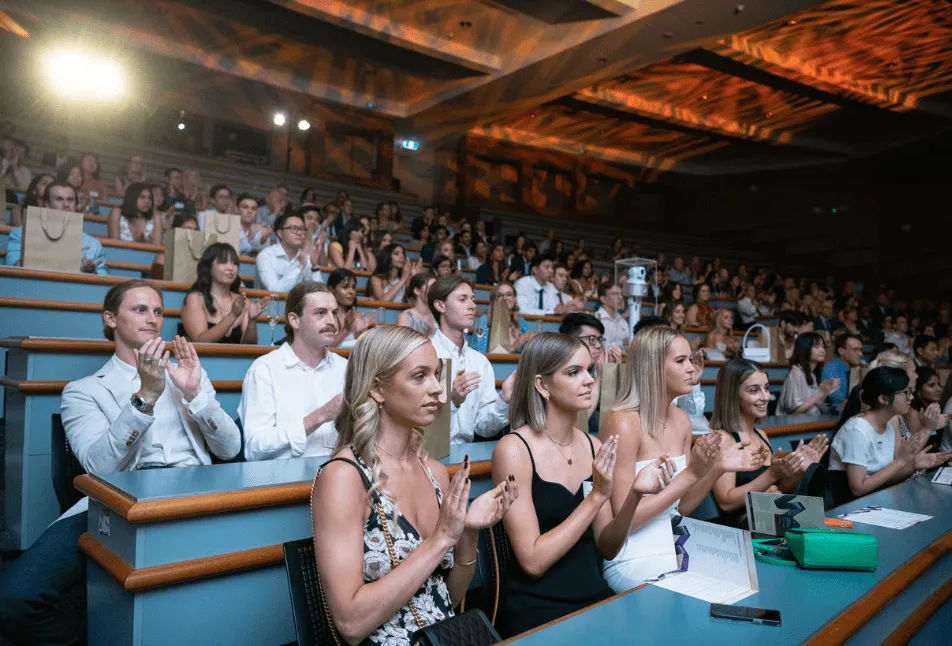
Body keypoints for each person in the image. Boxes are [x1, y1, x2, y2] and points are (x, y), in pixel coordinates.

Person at [0, 281, 240, 646]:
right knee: (14, 601)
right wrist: (145, 397)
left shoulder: (189, 375)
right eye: (140, 309)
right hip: (114, 502)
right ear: (110, 318)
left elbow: (229, 448)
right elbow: (99, 467)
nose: (153, 319)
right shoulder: (84, 390)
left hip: (196, 494)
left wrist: (195, 395)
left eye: (158, 311)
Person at [310, 325, 517, 645]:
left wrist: (470, 531)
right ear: (377, 389)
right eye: (420, 376)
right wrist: (441, 539)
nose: (438, 389)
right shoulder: (344, 477)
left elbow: (448, 596)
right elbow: (350, 625)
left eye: (436, 374)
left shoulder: (433, 469)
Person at [491, 333, 674, 637]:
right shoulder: (513, 450)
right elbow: (533, 561)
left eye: (589, 370)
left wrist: (635, 496)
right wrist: (596, 498)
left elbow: (608, 546)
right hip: (539, 610)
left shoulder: (593, 445)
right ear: (542, 385)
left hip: (595, 599)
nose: (589, 380)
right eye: (574, 372)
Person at [599, 326, 768, 591]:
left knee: (751, 580)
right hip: (634, 558)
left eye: (690, 359)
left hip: (677, 547)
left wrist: (717, 468)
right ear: (652, 367)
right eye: (681, 361)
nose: (692, 369)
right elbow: (625, 522)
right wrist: (691, 473)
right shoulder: (621, 422)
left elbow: (682, 507)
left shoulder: (681, 420)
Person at [710, 359, 829, 526]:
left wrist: (799, 470)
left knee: (823, 518)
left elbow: (779, 489)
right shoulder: (723, 439)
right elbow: (726, 503)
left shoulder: (761, 434)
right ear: (732, 394)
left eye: (766, 388)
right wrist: (771, 475)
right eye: (754, 390)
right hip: (741, 530)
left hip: (768, 518)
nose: (765, 397)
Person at [240, 282, 348, 460]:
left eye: (334, 313)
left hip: (340, 475)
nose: (332, 321)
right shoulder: (265, 370)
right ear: (294, 320)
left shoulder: (346, 368)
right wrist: (320, 416)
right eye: (321, 313)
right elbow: (254, 449)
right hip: (285, 481)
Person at [829, 367, 952, 505]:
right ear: (883, 399)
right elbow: (858, 488)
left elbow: (888, 477)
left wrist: (913, 465)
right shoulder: (857, 430)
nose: (911, 397)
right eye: (906, 393)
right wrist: (901, 461)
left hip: (877, 501)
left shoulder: (889, 423)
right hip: (848, 508)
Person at [428, 275, 515, 444]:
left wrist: (505, 399)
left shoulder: (480, 362)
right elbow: (418, 429)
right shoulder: (426, 355)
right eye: (462, 299)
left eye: (472, 299)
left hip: (467, 453)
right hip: (428, 454)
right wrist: (452, 401)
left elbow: (483, 427)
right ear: (440, 305)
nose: (473, 305)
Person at [4, 182, 108, 275]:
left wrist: (91, 272)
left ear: (76, 205)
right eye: (59, 199)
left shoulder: (93, 244)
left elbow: (102, 283)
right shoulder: (21, 234)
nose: (66, 204)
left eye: (70, 200)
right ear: (46, 204)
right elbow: (13, 269)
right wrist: (55, 253)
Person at [180, 243, 269, 344]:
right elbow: (200, 341)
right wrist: (233, 315)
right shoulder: (195, 298)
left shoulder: (243, 301)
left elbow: (249, 345)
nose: (231, 268)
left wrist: (251, 321)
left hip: (236, 359)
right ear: (208, 267)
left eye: (234, 263)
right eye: (223, 262)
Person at [560, 312, 622, 436]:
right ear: (570, 340)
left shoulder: (596, 367)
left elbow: (610, 416)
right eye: (592, 339)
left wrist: (613, 373)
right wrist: (600, 378)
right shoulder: (561, 371)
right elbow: (579, 421)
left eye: (600, 340)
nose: (599, 346)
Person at [254, 212, 323, 291]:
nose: (300, 233)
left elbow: (319, 291)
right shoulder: (266, 255)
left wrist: (314, 266)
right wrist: (300, 266)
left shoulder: (306, 257)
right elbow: (274, 290)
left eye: (302, 229)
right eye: (294, 228)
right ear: (280, 233)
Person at [777, 332, 839, 416]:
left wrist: (825, 392)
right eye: (816, 346)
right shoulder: (796, 373)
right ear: (804, 349)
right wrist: (819, 393)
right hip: (792, 424)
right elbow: (795, 412)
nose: (822, 350)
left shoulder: (812, 374)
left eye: (823, 346)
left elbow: (814, 405)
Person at [472, 281, 532, 354]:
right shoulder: (484, 319)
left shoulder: (522, 322)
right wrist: (513, 347)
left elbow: (528, 353)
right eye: (500, 295)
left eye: (509, 294)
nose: (505, 298)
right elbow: (478, 352)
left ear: (515, 299)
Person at [326, 268, 376, 349]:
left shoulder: (359, 318)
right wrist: (346, 329)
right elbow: (323, 348)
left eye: (353, 287)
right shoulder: (324, 316)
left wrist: (359, 333)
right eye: (345, 287)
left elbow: (363, 351)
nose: (351, 292)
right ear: (331, 290)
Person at [822, 333, 864, 411]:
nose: (860, 354)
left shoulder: (857, 369)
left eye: (861, 350)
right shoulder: (831, 368)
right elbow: (838, 400)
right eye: (856, 350)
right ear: (841, 351)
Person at [396, 272, 436, 336]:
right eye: (431, 287)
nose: (436, 291)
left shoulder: (438, 316)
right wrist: (430, 333)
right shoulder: (405, 316)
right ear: (417, 290)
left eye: (436, 287)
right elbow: (403, 345)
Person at [596, 281, 629, 352]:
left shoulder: (622, 321)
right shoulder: (597, 320)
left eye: (621, 294)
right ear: (603, 299)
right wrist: (622, 343)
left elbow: (628, 348)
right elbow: (598, 348)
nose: (620, 298)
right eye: (614, 294)